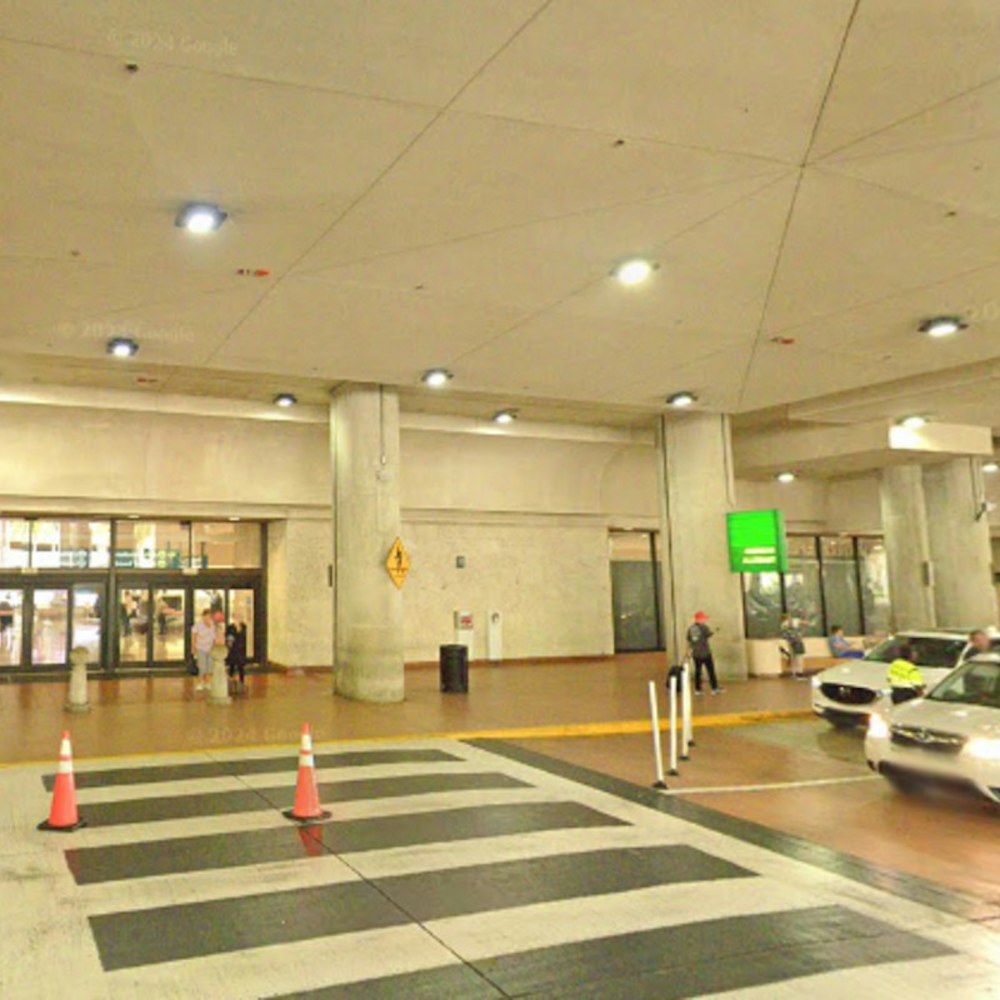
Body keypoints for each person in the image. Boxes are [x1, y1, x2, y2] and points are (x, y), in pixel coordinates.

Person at [685, 611, 723, 695]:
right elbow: (709, 634)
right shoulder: (704, 627)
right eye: (704, 618)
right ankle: (714, 688)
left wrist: (688, 652)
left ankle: (698, 689)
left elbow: (689, 641)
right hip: (705, 652)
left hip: (696, 653)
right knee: (710, 670)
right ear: (700, 619)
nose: (705, 620)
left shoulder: (691, 629)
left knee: (698, 671)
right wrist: (716, 630)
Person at [191, 609, 216, 692]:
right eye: (206, 616)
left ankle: (207, 682)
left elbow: (214, 637)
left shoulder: (212, 624)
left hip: (210, 648)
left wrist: (214, 646)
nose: (208, 618)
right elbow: (194, 636)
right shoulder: (198, 625)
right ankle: (201, 682)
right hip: (201, 648)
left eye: (209, 616)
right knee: (202, 666)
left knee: (209, 667)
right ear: (203, 616)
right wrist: (194, 647)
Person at [226, 614, 248, 690]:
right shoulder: (230, 627)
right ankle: (230, 681)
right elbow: (229, 638)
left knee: (241, 666)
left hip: (241, 649)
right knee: (232, 665)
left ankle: (242, 682)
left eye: (240, 617)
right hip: (233, 649)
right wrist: (229, 646)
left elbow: (244, 637)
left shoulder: (244, 626)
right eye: (237, 617)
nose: (239, 619)